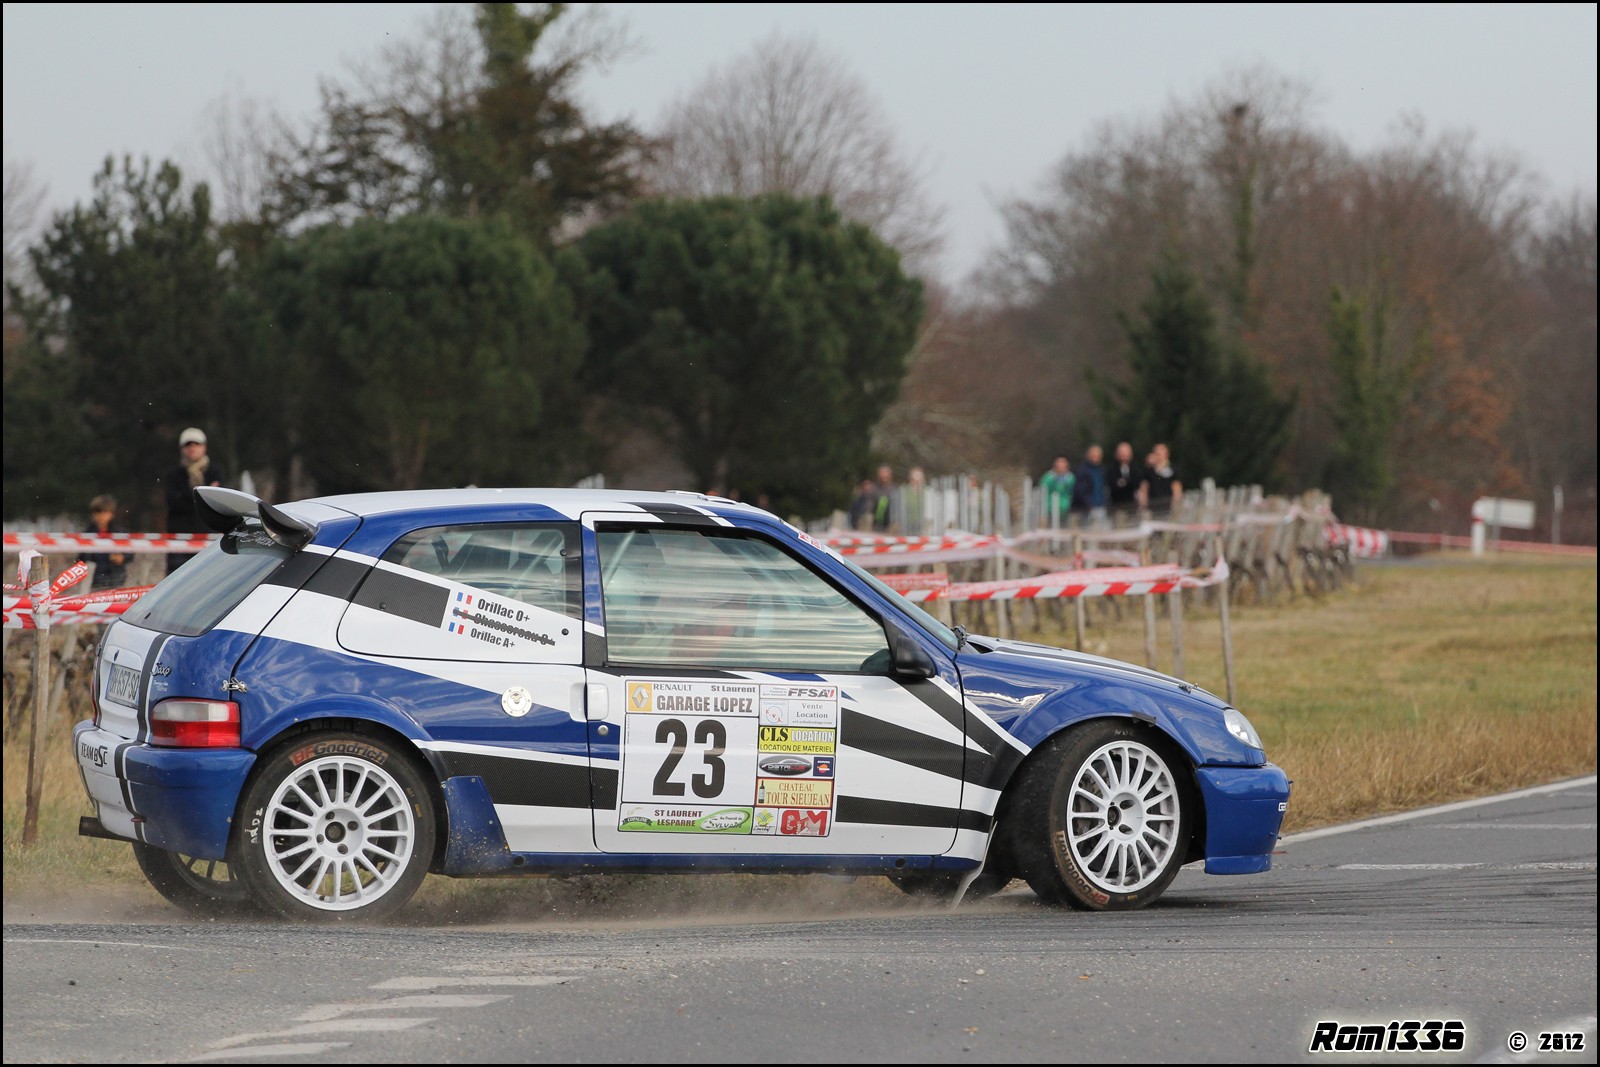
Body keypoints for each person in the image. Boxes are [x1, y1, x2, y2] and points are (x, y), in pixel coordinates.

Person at [162, 427, 227, 574]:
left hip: (209, 537)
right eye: (188, 445)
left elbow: (220, 501)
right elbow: (173, 502)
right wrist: (204, 494)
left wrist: (187, 496)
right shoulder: (173, 474)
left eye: (196, 444)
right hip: (179, 540)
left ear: (204, 447)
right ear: (181, 449)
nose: (192, 448)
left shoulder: (216, 471)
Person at [84, 495, 128, 590]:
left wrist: (122, 557)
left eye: (104, 513)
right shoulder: (88, 533)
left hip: (116, 579)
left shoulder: (119, 532)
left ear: (111, 514)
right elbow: (82, 556)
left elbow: (129, 551)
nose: (101, 516)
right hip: (94, 580)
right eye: (98, 513)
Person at [1140, 442, 1183, 516]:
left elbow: (1177, 488)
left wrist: (1176, 505)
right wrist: (1143, 506)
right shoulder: (1148, 471)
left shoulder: (1173, 469)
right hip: (1152, 507)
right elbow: (1144, 488)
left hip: (1168, 507)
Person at [1073, 445, 1108, 527]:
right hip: (1087, 510)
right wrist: (1089, 504)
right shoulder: (1082, 471)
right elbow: (1079, 490)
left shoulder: (1102, 470)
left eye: (1098, 455)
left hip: (1101, 507)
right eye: (1093, 455)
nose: (1095, 457)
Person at [1108, 441, 1141, 523]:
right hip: (1117, 507)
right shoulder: (1112, 470)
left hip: (1133, 506)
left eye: (1126, 452)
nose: (1124, 455)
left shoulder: (1135, 469)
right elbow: (1112, 485)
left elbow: (1137, 484)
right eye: (1122, 452)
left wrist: (1124, 483)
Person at [1039, 455, 1075, 528]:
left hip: (1065, 510)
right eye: (1059, 466)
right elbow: (1042, 488)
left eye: (1063, 466)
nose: (1061, 468)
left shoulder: (1070, 478)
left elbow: (1072, 491)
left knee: (1064, 532)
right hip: (1050, 510)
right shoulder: (1048, 478)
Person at [872, 464, 895, 531]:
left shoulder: (894, 489)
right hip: (876, 523)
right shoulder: (874, 489)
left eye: (886, 473)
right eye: (882, 473)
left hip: (890, 523)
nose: (883, 475)